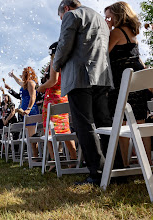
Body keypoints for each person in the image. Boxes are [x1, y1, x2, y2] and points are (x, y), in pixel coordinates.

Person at [53, 0, 124, 185]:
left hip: (80, 77)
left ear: (66, 9)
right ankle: (116, 169)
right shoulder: (100, 17)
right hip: (102, 77)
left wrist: (55, 65)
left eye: (60, 17)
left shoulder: (72, 15)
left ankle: (98, 173)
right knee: (105, 123)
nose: (62, 19)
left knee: (85, 125)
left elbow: (64, 45)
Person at [105, 1, 152, 166]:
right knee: (140, 122)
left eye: (108, 16)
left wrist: (107, 31)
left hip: (121, 83)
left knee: (122, 123)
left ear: (117, 15)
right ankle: (146, 162)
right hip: (136, 81)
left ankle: (124, 163)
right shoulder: (132, 34)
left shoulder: (116, 32)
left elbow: (103, 55)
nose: (107, 20)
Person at [37, 41, 77, 171]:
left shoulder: (55, 61)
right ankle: (74, 159)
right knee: (65, 130)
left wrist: (41, 87)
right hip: (64, 96)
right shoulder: (69, 61)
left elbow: (53, 81)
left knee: (49, 130)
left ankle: (55, 162)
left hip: (52, 98)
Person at [9, 67, 40, 157]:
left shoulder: (30, 83)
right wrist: (13, 75)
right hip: (25, 112)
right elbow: (19, 81)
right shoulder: (25, 84)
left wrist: (29, 108)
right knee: (29, 135)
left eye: (23, 73)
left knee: (31, 136)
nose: (21, 75)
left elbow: (33, 96)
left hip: (30, 111)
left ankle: (35, 156)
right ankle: (34, 155)